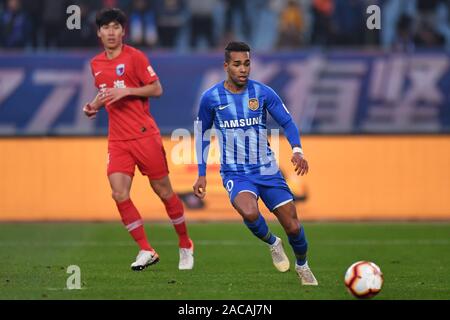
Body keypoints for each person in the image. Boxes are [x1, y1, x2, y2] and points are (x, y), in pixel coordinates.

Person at [193, 41, 318, 286]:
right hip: (236, 172)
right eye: (237, 64)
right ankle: (273, 243)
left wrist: (297, 150)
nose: (243, 69)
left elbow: (288, 122)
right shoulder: (211, 98)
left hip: (267, 169)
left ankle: (302, 265)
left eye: (247, 64)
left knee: (293, 227)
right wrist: (201, 173)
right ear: (226, 66)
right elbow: (202, 134)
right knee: (249, 211)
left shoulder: (262, 93)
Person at [82, 8, 194, 271]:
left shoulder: (135, 57)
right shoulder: (95, 64)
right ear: (99, 33)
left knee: (164, 192)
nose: (111, 32)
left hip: (144, 136)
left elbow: (157, 88)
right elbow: (105, 94)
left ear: (123, 31)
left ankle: (185, 244)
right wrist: (93, 106)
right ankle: (146, 249)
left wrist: (127, 91)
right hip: (118, 140)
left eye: (116, 27)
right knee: (119, 193)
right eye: (106, 28)